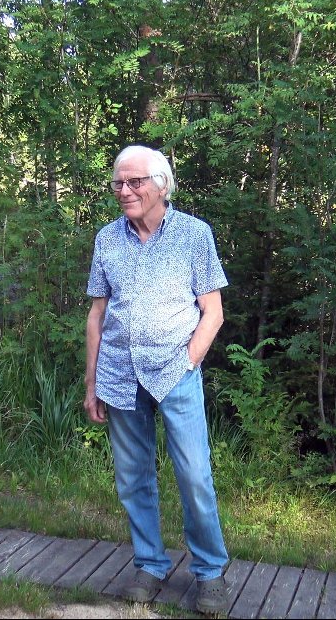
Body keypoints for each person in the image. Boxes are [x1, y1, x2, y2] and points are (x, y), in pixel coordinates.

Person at [84, 145, 231, 614]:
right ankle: (150, 563)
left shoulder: (193, 234)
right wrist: (91, 384)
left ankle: (209, 571)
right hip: (119, 376)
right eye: (118, 184)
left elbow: (213, 311)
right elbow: (97, 314)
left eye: (135, 182)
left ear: (161, 185)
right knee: (132, 478)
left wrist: (188, 361)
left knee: (193, 475)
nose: (124, 191)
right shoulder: (107, 239)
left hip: (176, 374)